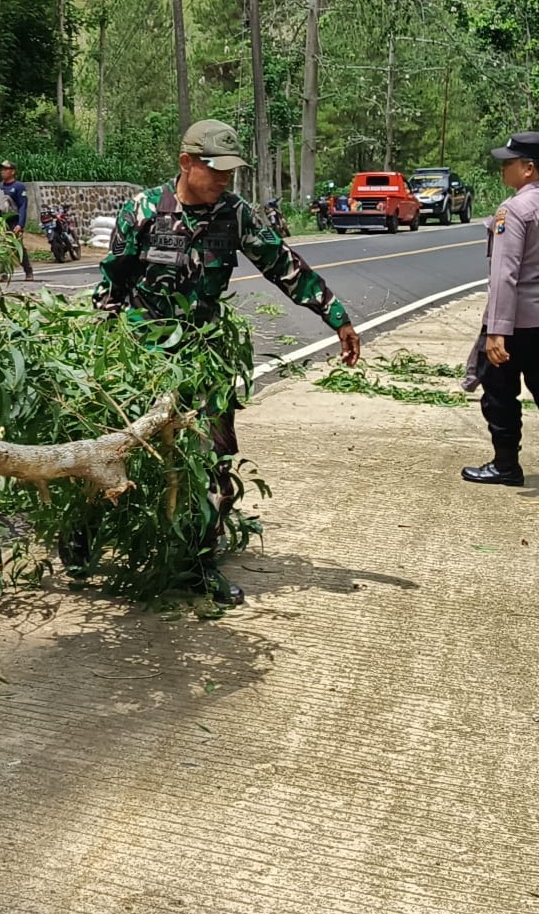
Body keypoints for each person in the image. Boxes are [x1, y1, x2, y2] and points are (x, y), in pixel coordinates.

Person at [94, 119, 361, 605]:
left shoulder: (236, 215)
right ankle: (86, 533)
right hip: (142, 357)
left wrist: (337, 317)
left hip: (204, 356)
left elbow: (286, 267)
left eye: (231, 174)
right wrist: (105, 354)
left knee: (216, 462)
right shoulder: (144, 212)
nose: (225, 181)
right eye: (216, 171)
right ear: (186, 163)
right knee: (120, 454)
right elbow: (111, 286)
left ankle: (199, 565)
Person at [461, 131, 539, 501]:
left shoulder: (514, 210)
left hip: (517, 320)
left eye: (509, 163)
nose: (504, 169)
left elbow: (504, 274)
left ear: (529, 168)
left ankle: (505, 466)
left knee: (499, 393)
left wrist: (497, 331)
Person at [0, 159, 35, 281]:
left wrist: (20, 224)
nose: (3, 172)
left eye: (6, 169)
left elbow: (22, 206)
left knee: (16, 247)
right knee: (0, 247)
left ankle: (28, 270)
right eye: (2, 170)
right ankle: (2, 273)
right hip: (0, 222)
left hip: (13, 221)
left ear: (13, 171)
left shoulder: (19, 187)